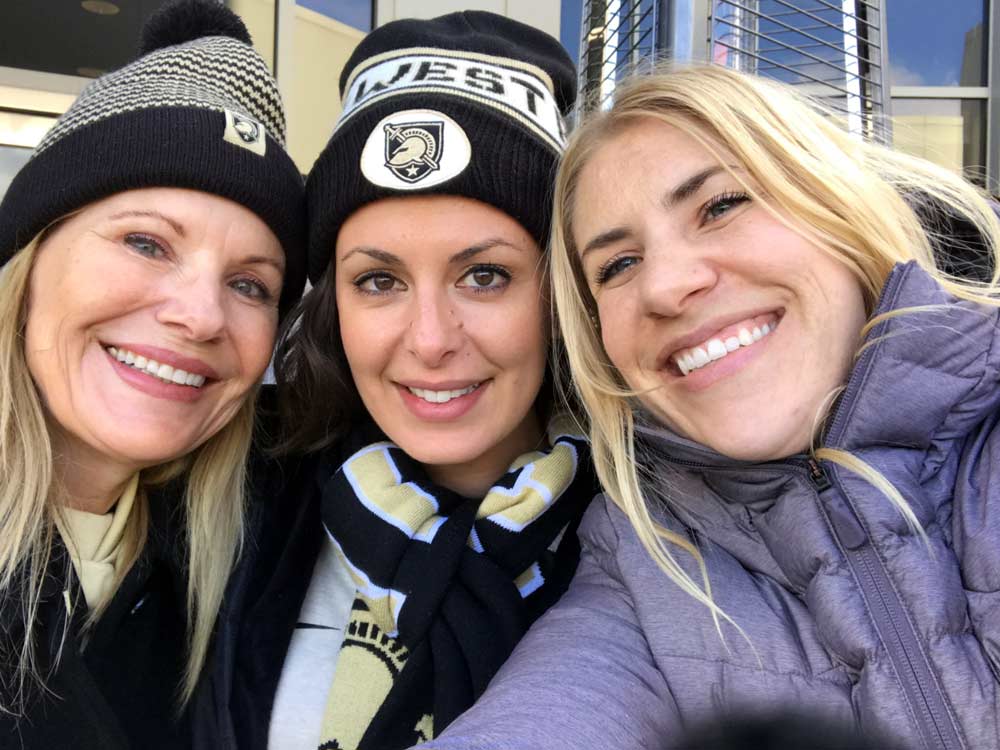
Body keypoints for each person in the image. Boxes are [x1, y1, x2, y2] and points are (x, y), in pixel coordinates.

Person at [420, 65, 1000, 749]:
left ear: (838, 208)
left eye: (721, 206)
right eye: (618, 265)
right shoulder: (643, 564)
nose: (665, 285)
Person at [192, 12, 597, 750]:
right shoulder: (240, 509)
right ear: (332, 305)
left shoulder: (661, 537)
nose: (432, 339)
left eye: (485, 275)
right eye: (378, 280)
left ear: (559, 294)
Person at [0, 1, 305, 748]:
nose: (202, 316)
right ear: (30, 262)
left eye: (250, 285)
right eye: (146, 242)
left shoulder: (246, 548)